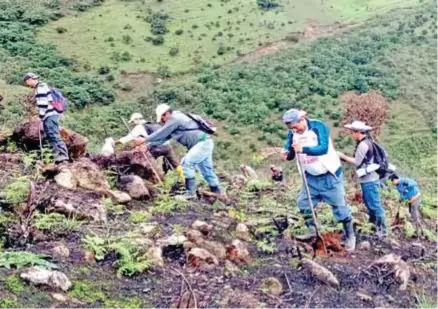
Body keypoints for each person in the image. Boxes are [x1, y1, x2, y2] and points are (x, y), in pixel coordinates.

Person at [282, 109, 356, 251]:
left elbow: (323, 148)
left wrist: (303, 148)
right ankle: (313, 229)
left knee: (340, 208)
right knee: (303, 203)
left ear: (302, 119)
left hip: (329, 175)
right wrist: (286, 153)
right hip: (310, 178)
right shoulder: (293, 133)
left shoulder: (318, 126)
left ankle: (349, 235)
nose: (294, 130)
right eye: (291, 128)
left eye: (295, 126)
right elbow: (290, 150)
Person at [134, 104, 222, 200]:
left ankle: (191, 193)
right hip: (204, 143)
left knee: (186, 163)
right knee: (206, 169)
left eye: (163, 118)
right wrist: (148, 146)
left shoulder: (175, 118)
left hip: (202, 143)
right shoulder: (175, 121)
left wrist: (145, 140)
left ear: (166, 113)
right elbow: (164, 138)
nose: (163, 121)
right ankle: (216, 191)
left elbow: (161, 133)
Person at [338, 121, 387, 238]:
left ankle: (382, 230)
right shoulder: (368, 142)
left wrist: (342, 156)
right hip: (371, 178)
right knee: (371, 204)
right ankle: (374, 226)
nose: (351, 134)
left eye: (352, 132)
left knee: (374, 205)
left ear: (358, 132)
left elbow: (357, 162)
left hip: (369, 180)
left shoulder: (363, 145)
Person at [23, 73, 69, 164]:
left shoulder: (40, 88)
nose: (28, 85)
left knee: (53, 135)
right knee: (51, 135)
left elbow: (43, 104)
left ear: (29, 80)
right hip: (51, 114)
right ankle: (58, 157)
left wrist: (41, 116)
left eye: (27, 83)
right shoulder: (43, 86)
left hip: (49, 115)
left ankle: (62, 157)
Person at [115, 112, 180, 175]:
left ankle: (156, 179)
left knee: (147, 163)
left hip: (156, 147)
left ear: (137, 120)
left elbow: (127, 138)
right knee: (175, 164)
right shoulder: (154, 124)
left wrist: (114, 143)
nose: (133, 124)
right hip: (167, 146)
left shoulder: (139, 127)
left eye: (133, 122)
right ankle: (183, 179)